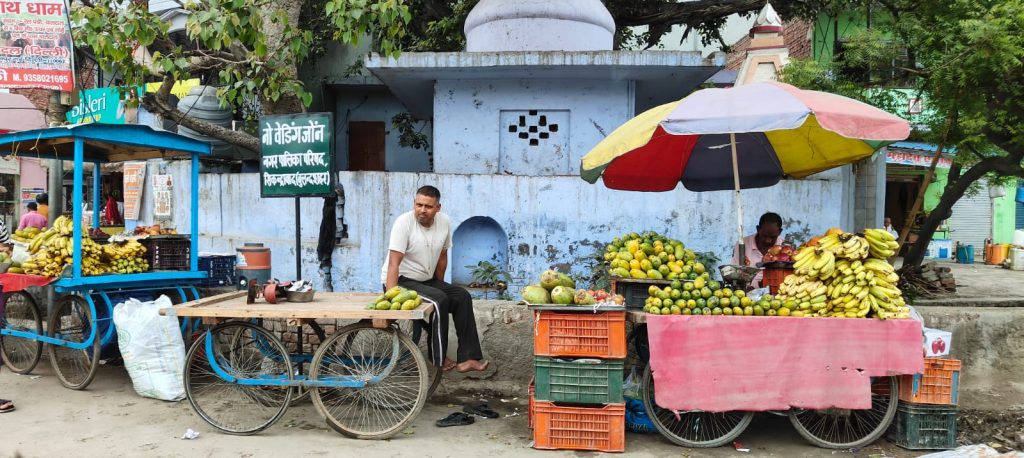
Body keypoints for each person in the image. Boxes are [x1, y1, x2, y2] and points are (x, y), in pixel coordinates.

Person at [381, 186, 488, 373]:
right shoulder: (403, 223)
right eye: (418, 205)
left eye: (428, 206)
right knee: (440, 299)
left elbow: (442, 257)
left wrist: (440, 285)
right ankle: (437, 357)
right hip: (401, 282)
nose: (422, 210)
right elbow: (393, 263)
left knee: (462, 296)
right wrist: (390, 297)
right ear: (414, 204)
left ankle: (468, 358)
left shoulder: (444, 222)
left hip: (426, 280)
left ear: (438, 207)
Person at [732, 212, 784, 288]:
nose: (768, 240)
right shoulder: (743, 244)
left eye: (772, 237)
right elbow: (735, 271)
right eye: (765, 236)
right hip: (747, 293)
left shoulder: (784, 246)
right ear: (758, 229)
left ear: (780, 232)